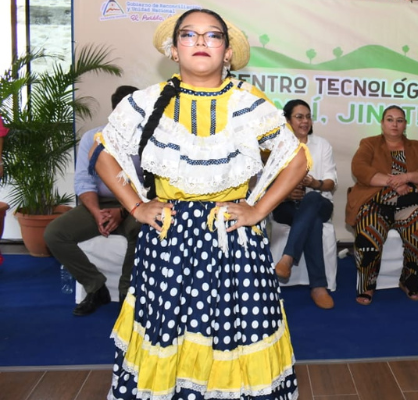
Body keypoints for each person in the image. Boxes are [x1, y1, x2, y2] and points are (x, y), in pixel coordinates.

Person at [92, 9, 308, 399]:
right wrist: (137, 206)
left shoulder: (249, 101)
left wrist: (258, 211)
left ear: (227, 52)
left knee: (239, 331)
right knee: (168, 331)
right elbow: (104, 154)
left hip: (233, 237)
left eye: (212, 36)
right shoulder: (147, 101)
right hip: (169, 239)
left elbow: (295, 159)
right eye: (189, 35)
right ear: (174, 50)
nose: (201, 42)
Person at [44, 85, 141, 316]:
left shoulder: (148, 142)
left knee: (141, 230)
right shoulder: (93, 137)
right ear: (114, 112)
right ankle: (95, 287)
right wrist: (97, 212)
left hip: (135, 205)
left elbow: (151, 189)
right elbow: (84, 182)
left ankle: (127, 295)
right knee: (54, 234)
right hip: (98, 203)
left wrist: (123, 210)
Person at [345, 105, 418, 305]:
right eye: (390, 119)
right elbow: (360, 168)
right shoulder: (369, 143)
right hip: (375, 202)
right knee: (368, 232)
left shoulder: (417, 146)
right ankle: (367, 286)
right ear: (382, 124)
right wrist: (394, 183)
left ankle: (408, 280)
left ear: (405, 124)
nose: (394, 124)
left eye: (399, 120)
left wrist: (406, 177)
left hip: (410, 203)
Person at [272, 99, 337, 309]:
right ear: (287, 120)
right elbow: (267, 184)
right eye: (299, 117)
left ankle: (287, 259)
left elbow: (330, 182)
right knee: (313, 222)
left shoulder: (322, 145)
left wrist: (313, 183)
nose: (305, 121)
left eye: (308, 116)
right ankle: (318, 287)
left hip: (320, 202)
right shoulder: (277, 146)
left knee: (312, 199)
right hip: (286, 206)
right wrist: (288, 192)